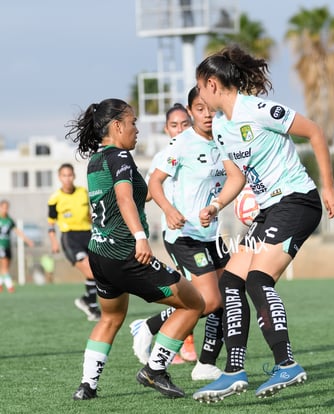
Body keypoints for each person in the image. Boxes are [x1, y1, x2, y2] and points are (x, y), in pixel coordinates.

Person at [192, 45, 334, 402]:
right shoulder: (223, 129)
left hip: (297, 201)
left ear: (212, 84)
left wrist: (329, 185)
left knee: (258, 279)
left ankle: (287, 363)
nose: (198, 95)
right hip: (269, 210)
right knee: (231, 281)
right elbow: (235, 179)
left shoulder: (256, 109)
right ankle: (234, 371)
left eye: (199, 87)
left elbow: (315, 132)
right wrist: (215, 205)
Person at [65, 98, 204, 400]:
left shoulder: (97, 160)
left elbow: (129, 198)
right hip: (125, 253)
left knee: (110, 318)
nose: (136, 129)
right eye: (133, 122)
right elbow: (125, 199)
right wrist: (141, 237)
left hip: (99, 253)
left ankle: (87, 385)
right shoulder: (121, 158)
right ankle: (155, 369)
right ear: (117, 126)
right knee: (195, 304)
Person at [132, 87, 230, 381]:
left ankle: (206, 363)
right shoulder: (181, 145)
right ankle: (150, 327)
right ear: (191, 112)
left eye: (210, 107)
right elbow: (154, 184)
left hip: (212, 234)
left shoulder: (226, 139)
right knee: (209, 301)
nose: (207, 114)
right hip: (184, 235)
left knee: (226, 296)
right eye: (199, 109)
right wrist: (169, 210)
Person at [129, 103, 197, 365]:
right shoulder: (164, 157)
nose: (179, 129)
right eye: (174, 125)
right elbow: (145, 194)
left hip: (204, 233)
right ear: (166, 129)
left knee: (208, 294)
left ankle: (150, 326)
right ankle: (181, 342)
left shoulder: (202, 149)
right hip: (178, 235)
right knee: (199, 294)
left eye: (184, 124)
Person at [48, 163, 100, 321]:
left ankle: (87, 300)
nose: (67, 179)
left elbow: (90, 215)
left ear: (74, 176)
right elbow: (51, 223)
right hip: (70, 238)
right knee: (91, 271)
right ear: (59, 177)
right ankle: (92, 307)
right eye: (64, 175)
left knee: (97, 271)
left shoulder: (83, 192)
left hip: (88, 234)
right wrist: (54, 242)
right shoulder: (55, 198)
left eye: (70, 175)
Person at [0, 200, 34, 293]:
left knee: (4, 267)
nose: (5, 210)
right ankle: (10, 286)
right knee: (4, 267)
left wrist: (28, 240)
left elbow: (18, 231)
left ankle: (0, 284)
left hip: (7, 246)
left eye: (7, 208)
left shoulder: (9, 220)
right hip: (0, 246)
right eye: (3, 207)